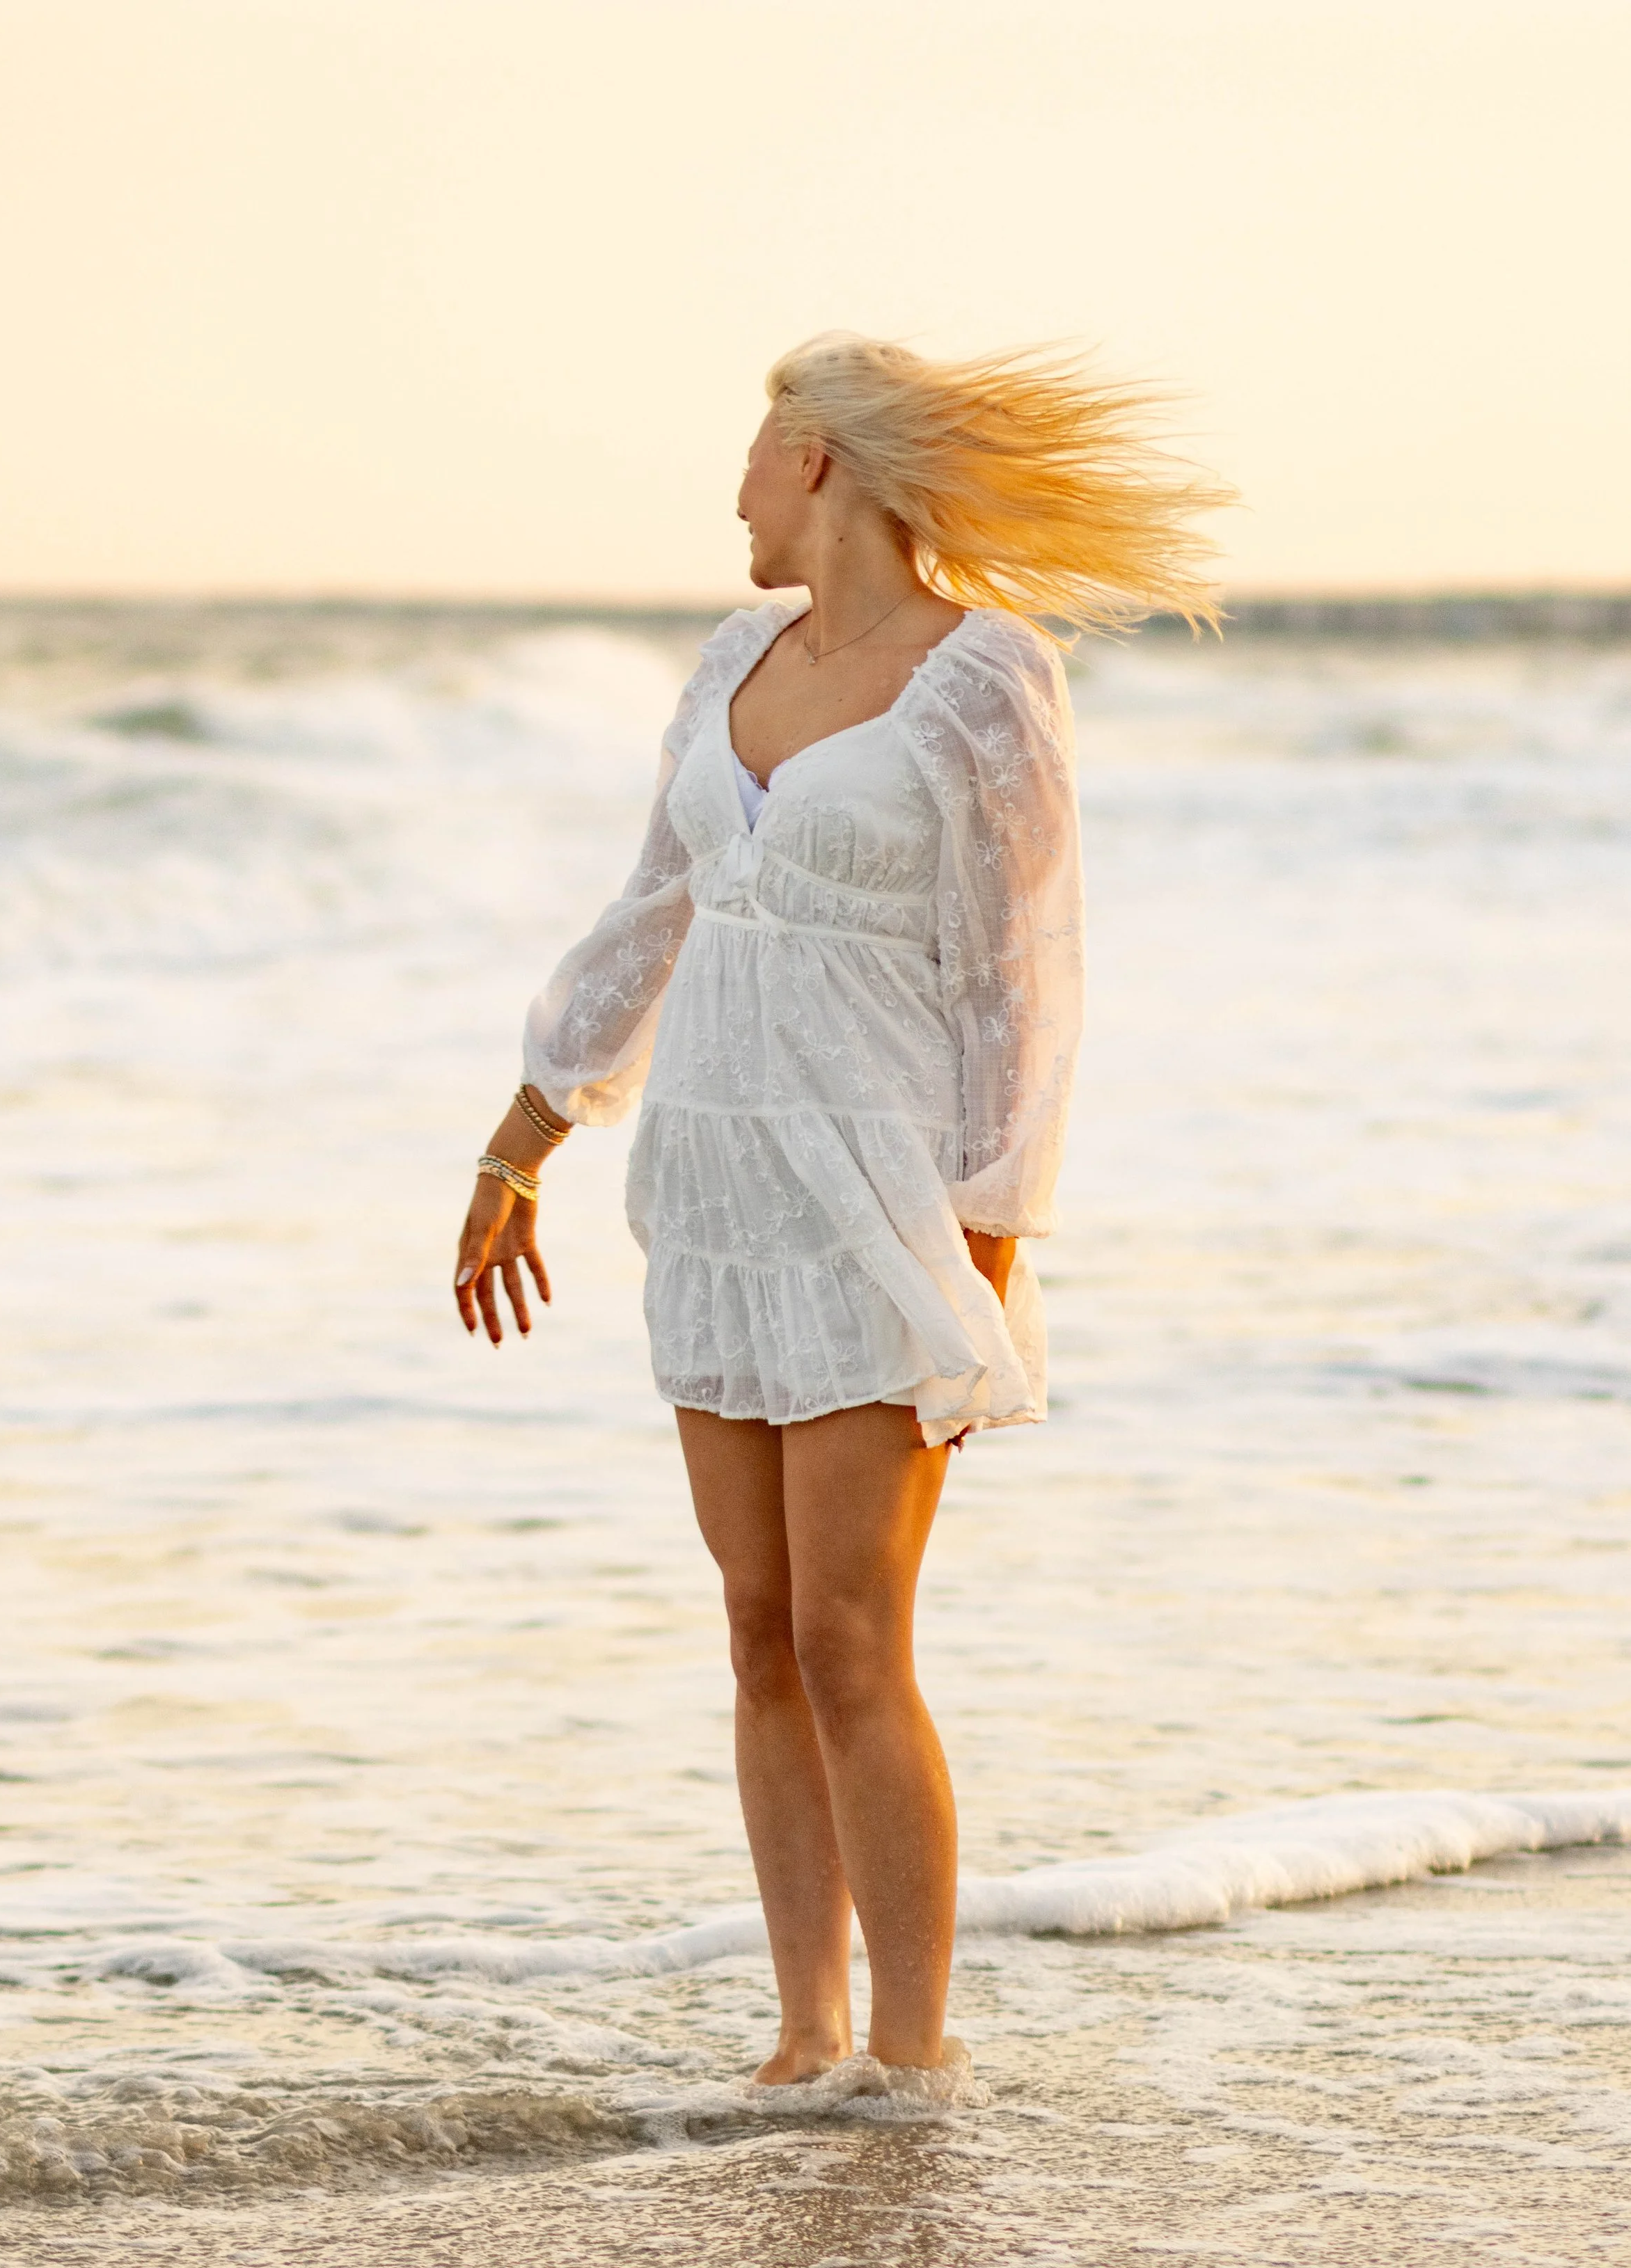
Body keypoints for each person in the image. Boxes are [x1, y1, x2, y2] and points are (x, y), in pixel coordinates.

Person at [454, 334, 1222, 2087]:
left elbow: (1020, 984)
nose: (727, 489)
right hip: (714, 1183)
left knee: (848, 1631)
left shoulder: (981, 675)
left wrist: (983, 1246)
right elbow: (650, 910)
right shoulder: (732, 657)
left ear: (815, 460)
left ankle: (912, 2056)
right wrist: (519, 1145)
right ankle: (802, 2037)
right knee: (753, 1628)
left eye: (746, 454)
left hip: (874, 1192)